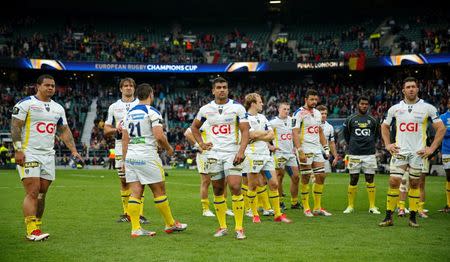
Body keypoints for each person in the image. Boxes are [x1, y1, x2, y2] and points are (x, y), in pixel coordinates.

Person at [11, 74, 83, 241]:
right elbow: (15, 127)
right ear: (38, 86)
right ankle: (31, 231)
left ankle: (37, 226)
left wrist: (73, 150)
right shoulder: (26, 104)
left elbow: (64, 130)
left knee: (42, 193)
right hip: (30, 152)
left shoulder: (58, 108)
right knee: (33, 191)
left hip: (48, 155)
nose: (51, 88)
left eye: (53, 85)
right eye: (47, 85)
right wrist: (18, 149)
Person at [122, 83, 187, 237]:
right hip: (147, 155)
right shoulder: (152, 112)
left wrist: (124, 161)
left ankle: (136, 228)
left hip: (131, 156)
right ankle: (170, 224)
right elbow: (159, 136)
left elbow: (125, 139)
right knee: (159, 191)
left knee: (135, 192)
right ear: (151, 94)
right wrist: (170, 149)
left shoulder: (128, 114)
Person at [379, 77, 445, 227]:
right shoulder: (394, 108)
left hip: (418, 153)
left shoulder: (428, 108)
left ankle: (413, 218)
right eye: (408, 87)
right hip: (400, 151)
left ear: (417, 89)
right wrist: (388, 144)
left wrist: (432, 148)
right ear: (403, 90)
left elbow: (441, 128)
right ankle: (388, 216)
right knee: (393, 181)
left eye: (413, 86)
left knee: (415, 184)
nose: (411, 89)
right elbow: (384, 126)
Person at [191, 77, 249, 240]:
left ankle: (239, 227)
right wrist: (201, 143)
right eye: (218, 87)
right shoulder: (205, 109)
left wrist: (241, 151)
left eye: (224, 87)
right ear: (213, 90)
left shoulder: (237, 108)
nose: (222, 89)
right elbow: (194, 128)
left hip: (232, 152)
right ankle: (223, 226)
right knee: (217, 189)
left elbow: (245, 131)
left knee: (235, 186)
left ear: (228, 89)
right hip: (213, 154)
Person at [104, 78, 149, 224]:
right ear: (121, 89)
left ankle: (140, 214)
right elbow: (106, 129)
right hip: (119, 145)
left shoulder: (141, 104)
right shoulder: (114, 107)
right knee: (123, 180)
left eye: (131, 86)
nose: (128, 88)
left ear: (134, 89)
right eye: (125, 86)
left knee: (139, 180)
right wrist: (115, 129)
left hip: (138, 144)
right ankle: (127, 213)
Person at [243, 93, 292, 224]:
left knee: (274, 184)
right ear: (253, 103)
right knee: (252, 185)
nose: (262, 104)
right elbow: (250, 134)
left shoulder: (263, 117)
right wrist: (260, 134)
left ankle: (277, 214)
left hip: (266, 155)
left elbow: (271, 135)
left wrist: (259, 135)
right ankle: (254, 214)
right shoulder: (245, 118)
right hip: (253, 155)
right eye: (260, 102)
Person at [292, 89, 332, 217]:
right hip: (305, 149)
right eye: (311, 99)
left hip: (316, 149)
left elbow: (319, 131)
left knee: (321, 176)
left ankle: (317, 208)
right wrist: (299, 150)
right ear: (305, 99)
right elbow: (295, 133)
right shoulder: (298, 113)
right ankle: (306, 207)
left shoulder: (317, 113)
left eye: (316, 99)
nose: (314, 102)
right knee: (306, 177)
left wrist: (326, 147)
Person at [341, 96, 380, 214]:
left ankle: (372, 206)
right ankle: (350, 206)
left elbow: (376, 135)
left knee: (370, 179)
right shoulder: (350, 119)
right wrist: (352, 144)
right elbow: (346, 134)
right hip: (354, 154)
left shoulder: (373, 120)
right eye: (362, 104)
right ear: (358, 104)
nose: (364, 106)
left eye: (366, 104)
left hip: (369, 154)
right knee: (353, 179)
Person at [269, 102, 300, 211]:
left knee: (296, 177)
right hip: (279, 153)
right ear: (278, 110)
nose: (286, 111)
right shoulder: (273, 123)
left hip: (291, 154)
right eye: (284, 109)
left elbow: (296, 134)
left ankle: (294, 202)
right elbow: (266, 135)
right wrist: (270, 146)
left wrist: (297, 146)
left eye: (288, 109)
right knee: (279, 176)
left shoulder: (292, 120)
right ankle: (280, 201)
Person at [184, 125, 215, 217]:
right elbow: (187, 133)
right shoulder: (203, 122)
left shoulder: (217, 120)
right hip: (205, 156)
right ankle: (205, 209)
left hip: (217, 154)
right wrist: (198, 146)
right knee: (206, 181)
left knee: (222, 181)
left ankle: (223, 207)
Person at [316, 105, 339, 173]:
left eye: (325, 113)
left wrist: (335, 156)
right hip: (312, 155)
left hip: (325, 156)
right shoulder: (311, 125)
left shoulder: (329, 127)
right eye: (322, 113)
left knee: (324, 176)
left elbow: (331, 143)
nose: (324, 115)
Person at [439, 98, 450, 213]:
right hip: (447, 150)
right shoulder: (443, 117)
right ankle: (448, 204)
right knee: (449, 177)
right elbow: (442, 132)